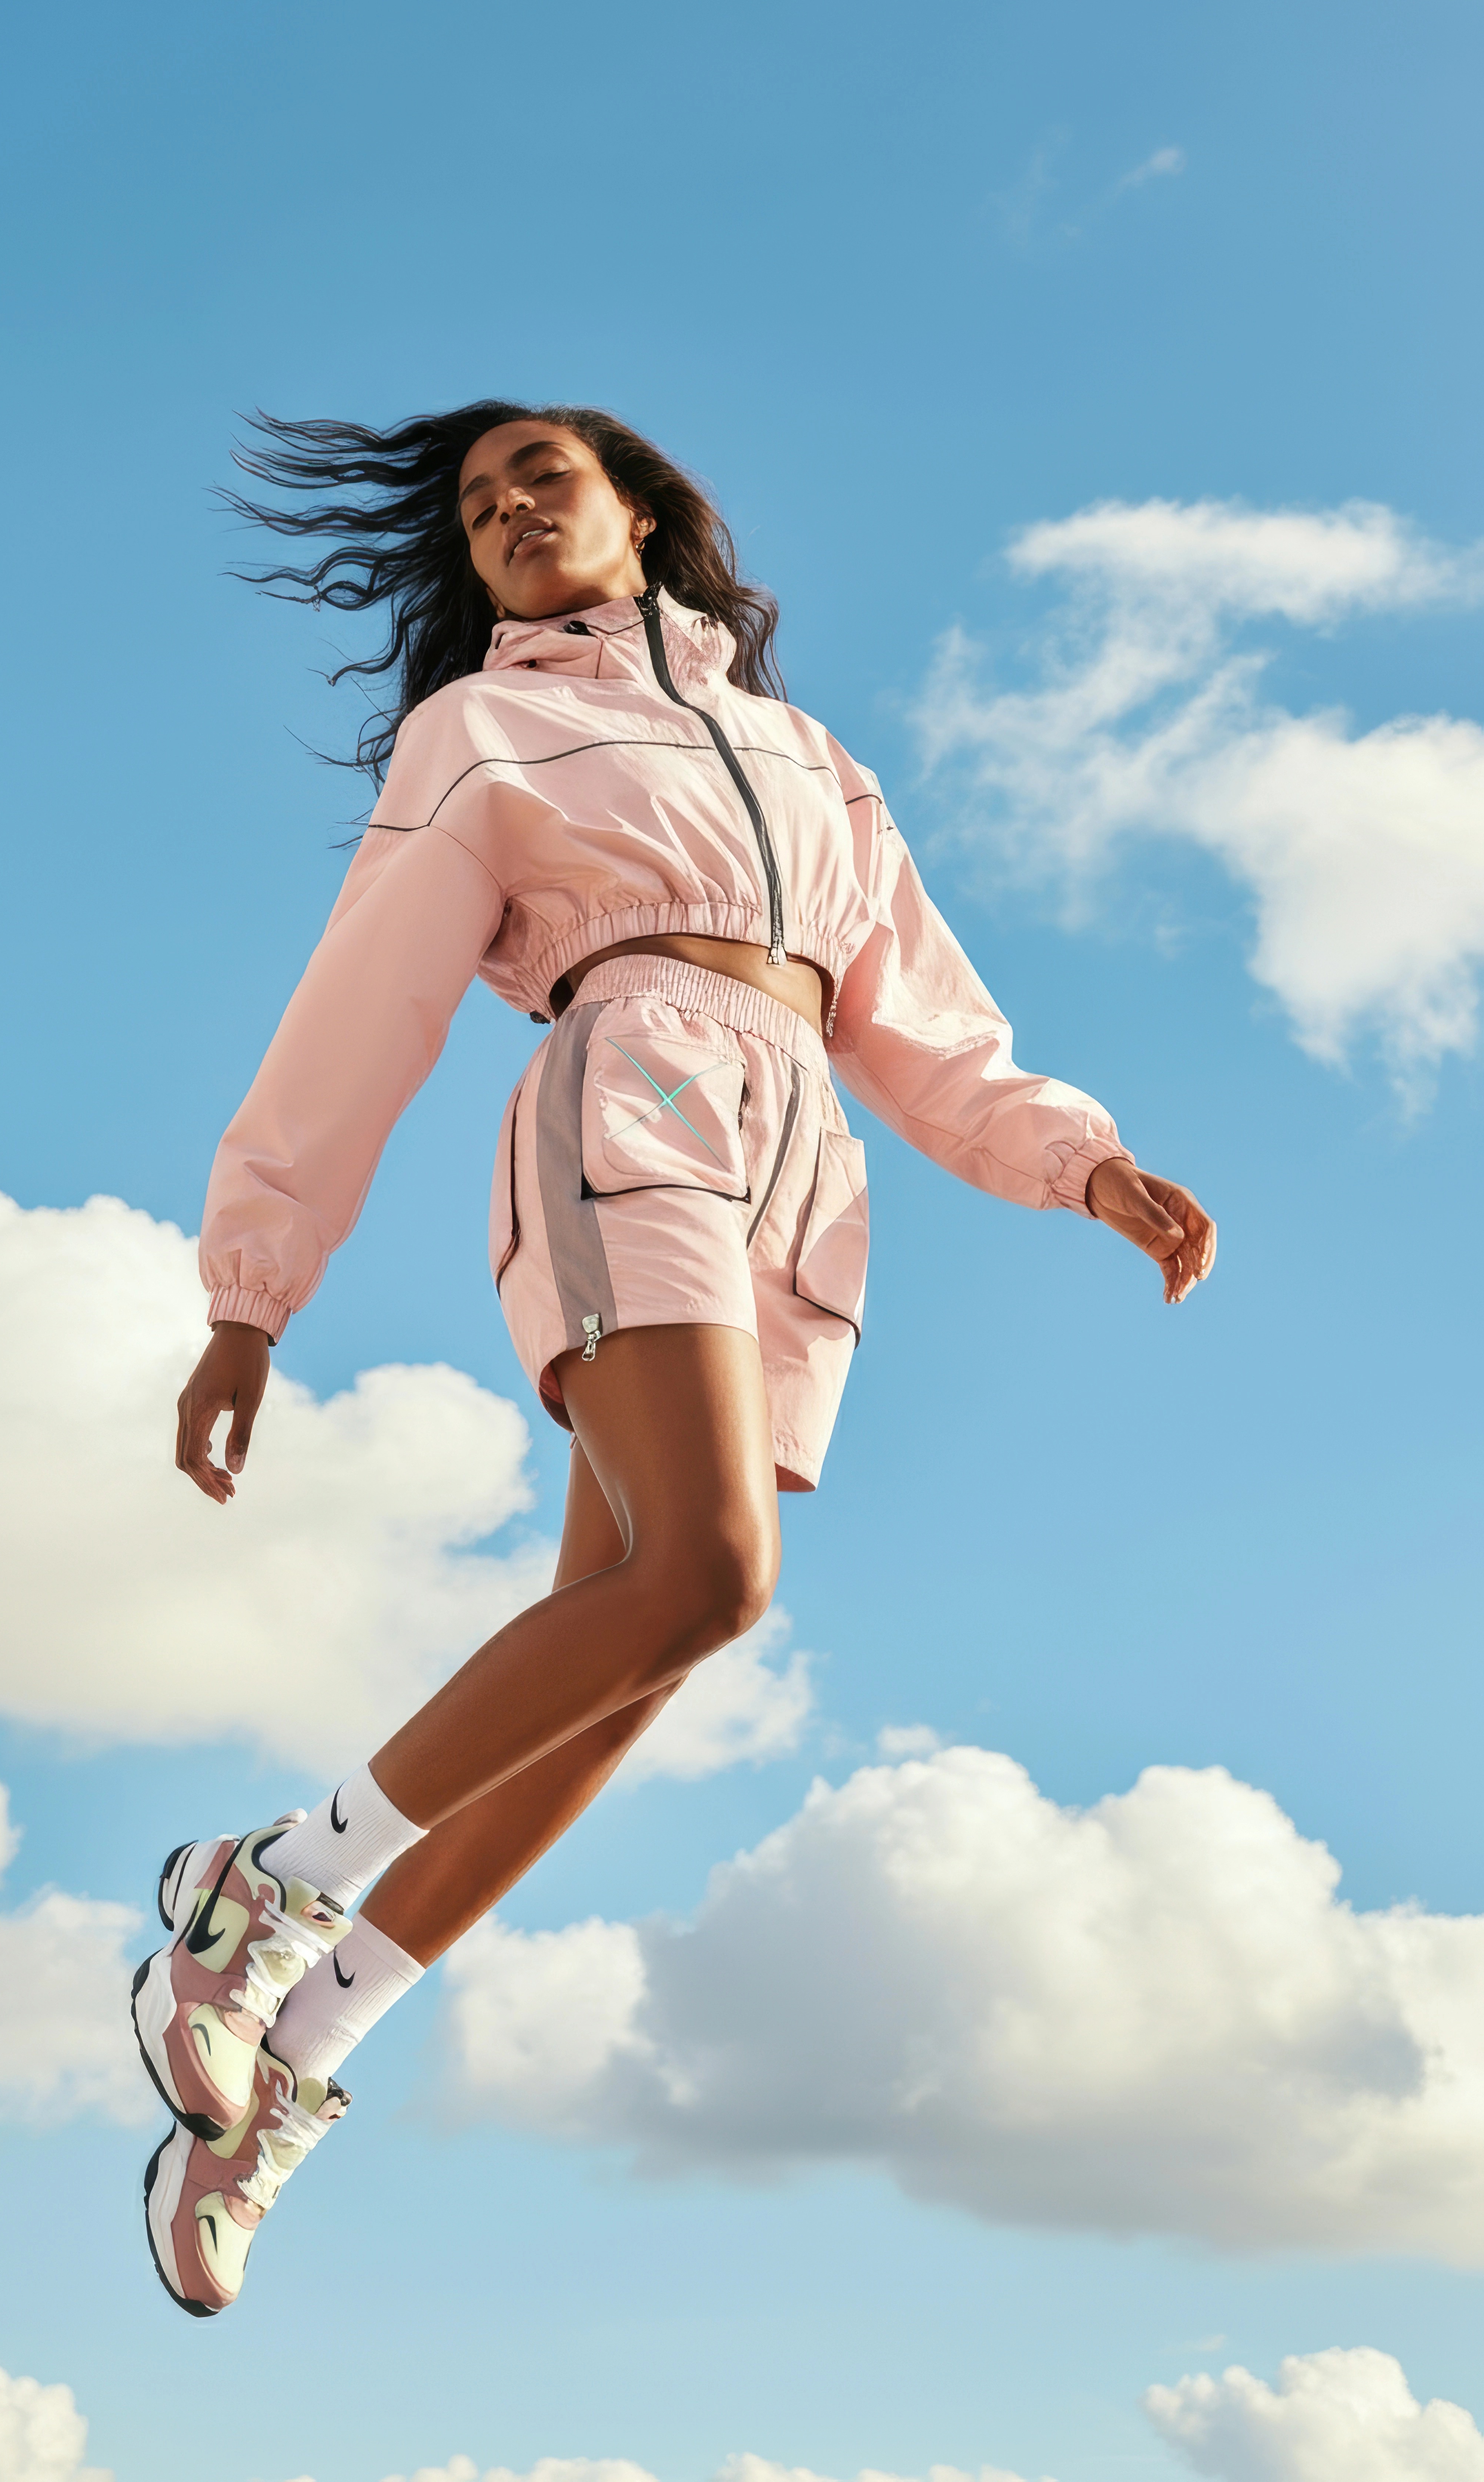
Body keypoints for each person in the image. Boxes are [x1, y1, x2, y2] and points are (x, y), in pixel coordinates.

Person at [135, 403, 1216, 2316]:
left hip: (805, 1160)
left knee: (638, 1648)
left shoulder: (810, 757)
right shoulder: (478, 731)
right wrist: (253, 1290)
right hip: (628, 1083)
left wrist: (1079, 1159)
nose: (505, 513)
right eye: (477, 506)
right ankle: (263, 1886)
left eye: (540, 478)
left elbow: (926, 1024)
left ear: (641, 511)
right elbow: (364, 999)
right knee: (711, 1573)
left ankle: (301, 2053)